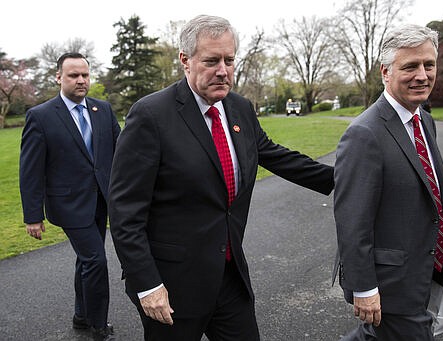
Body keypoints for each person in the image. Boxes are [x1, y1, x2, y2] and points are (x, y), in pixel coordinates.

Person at [108, 14, 333, 341]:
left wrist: (343, 180)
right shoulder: (151, 115)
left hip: (228, 275)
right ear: (185, 61)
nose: (223, 70)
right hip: (172, 284)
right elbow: (124, 211)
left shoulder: (239, 108)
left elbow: (275, 155)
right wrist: (147, 284)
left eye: (229, 60)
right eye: (211, 61)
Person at [332, 24, 443, 340]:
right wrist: (364, 287)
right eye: (410, 66)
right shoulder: (364, 134)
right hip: (391, 285)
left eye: (429, 65)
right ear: (386, 71)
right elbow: (352, 221)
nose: (423, 75)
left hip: (422, 270)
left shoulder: (423, 119)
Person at [19, 52, 121, 341]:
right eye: (73, 75)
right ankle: (99, 326)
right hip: (68, 205)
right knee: (96, 261)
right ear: (58, 77)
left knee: (86, 261)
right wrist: (32, 216)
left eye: (85, 75)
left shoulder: (103, 109)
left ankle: (81, 316)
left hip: (102, 200)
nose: (80, 80)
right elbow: (30, 170)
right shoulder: (40, 116)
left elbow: (121, 149)